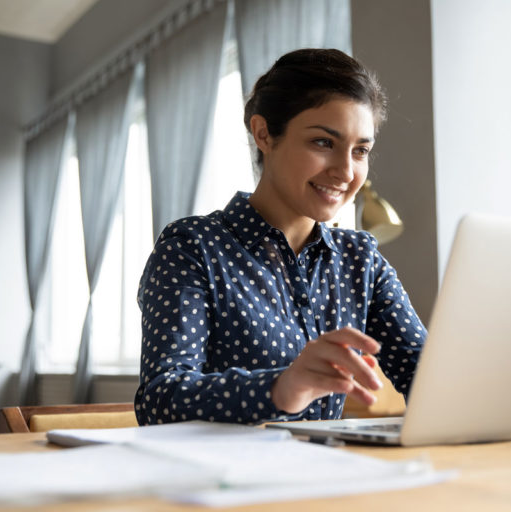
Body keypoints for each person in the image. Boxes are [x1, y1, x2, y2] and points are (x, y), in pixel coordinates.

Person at [134, 48, 426, 425]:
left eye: (360, 150)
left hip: (327, 474)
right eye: (323, 142)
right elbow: (160, 399)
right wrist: (282, 387)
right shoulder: (193, 247)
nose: (345, 171)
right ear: (264, 134)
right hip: (224, 478)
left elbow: (428, 377)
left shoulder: (360, 260)